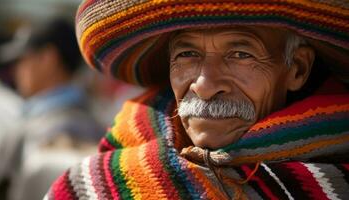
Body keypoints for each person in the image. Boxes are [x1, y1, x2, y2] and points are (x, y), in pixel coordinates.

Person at [46, 1, 349, 199]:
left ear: (297, 68)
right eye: (187, 54)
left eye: (240, 54)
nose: (204, 86)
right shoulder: (93, 188)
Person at [0, 19, 104, 200]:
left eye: (23, 59)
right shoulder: (41, 116)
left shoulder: (74, 125)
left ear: (48, 58)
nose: (16, 70)